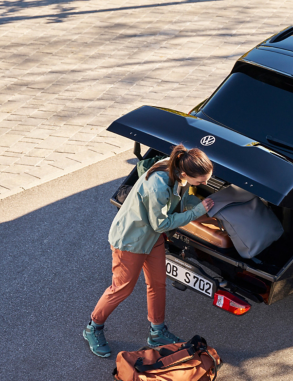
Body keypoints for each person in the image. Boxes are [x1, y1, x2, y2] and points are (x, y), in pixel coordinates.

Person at [83, 144, 214, 358]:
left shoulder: (178, 169)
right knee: (121, 289)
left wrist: (205, 206)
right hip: (130, 241)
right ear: (185, 172)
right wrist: (198, 211)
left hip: (151, 238)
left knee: (157, 283)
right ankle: (92, 328)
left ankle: (157, 332)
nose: (205, 183)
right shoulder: (159, 185)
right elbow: (161, 224)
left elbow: (182, 197)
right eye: (201, 180)